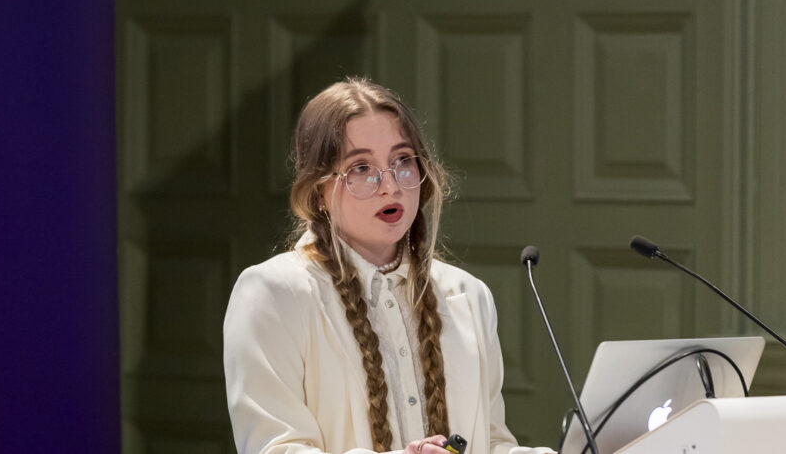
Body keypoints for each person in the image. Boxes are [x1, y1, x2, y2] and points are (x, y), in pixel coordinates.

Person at [223, 78, 555, 454]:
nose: (391, 186)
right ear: (318, 192)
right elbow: (275, 449)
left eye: (402, 161)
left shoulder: (468, 296)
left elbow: (491, 442)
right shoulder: (272, 294)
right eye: (361, 168)